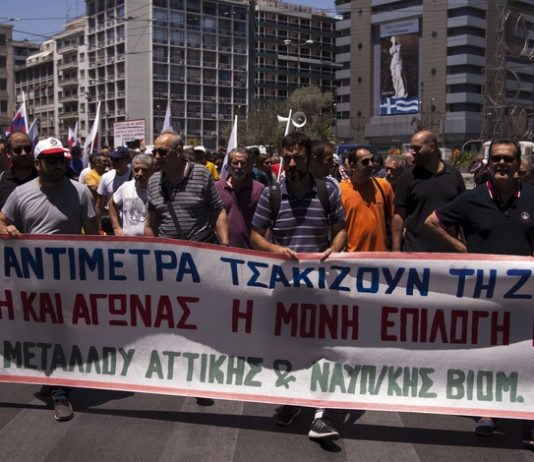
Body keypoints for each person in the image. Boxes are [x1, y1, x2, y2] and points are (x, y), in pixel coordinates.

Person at [424, 139, 534, 438]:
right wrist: (462, 249)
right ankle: (487, 411)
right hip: (484, 295)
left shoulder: (531, 197)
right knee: (488, 354)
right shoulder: (472, 198)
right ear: (488, 162)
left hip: (525, 296)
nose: (502, 163)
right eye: (496, 158)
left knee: (526, 355)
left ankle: (528, 416)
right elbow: (432, 222)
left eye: (508, 158)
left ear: (517, 163)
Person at [250, 132, 346, 440]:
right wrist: (275, 249)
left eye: (298, 157)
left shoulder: (327, 191)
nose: (291, 163)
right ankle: (291, 402)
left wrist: (334, 249)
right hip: (285, 288)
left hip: (321, 287)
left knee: (321, 348)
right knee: (288, 347)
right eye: (287, 157)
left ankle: (320, 413)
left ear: (309, 159)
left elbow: (340, 229)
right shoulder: (272, 194)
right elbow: (256, 236)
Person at [0, 137, 98, 422]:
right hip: (29, 283)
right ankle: (51, 379)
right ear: (38, 163)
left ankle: (60, 393)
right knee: (40, 335)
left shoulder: (81, 193)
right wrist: (8, 229)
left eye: (61, 161)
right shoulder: (21, 194)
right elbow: (2, 220)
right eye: (52, 160)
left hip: (68, 283)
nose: (58, 166)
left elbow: (95, 238)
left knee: (61, 335)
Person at [144, 130, 229, 245]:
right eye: (154, 152)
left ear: (178, 151)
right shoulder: (153, 182)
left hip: (200, 250)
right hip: (168, 252)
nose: (157, 157)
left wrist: (224, 242)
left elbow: (218, 212)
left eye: (162, 152)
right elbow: (150, 224)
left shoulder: (201, 174)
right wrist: (152, 249)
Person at [392, 130, 465, 252]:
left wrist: (465, 245)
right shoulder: (407, 177)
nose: (412, 152)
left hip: (448, 252)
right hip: (415, 251)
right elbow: (399, 216)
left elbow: (463, 213)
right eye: (411, 148)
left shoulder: (454, 175)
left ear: (432, 147)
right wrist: (396, 251)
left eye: (417, 148)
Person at [341, 147, 394, 251]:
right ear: (352, 166)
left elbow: (394, 218)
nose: (370, 164)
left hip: (380, 255)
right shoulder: (340, 190)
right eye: (365, 162)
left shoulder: (383, 186)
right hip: (352, 256)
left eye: (372, 160)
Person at [215, 148, 264, 248]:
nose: (239, 167)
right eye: (235, 163)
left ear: (249, 166)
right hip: (219, 251)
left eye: (243, 163)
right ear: (228, 165)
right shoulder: (216, 188)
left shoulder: (260, 190)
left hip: (249, 252)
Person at [108, 153, 155, 236]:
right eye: (136, 170)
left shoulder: (157, 189)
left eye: (144, 170)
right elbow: (111, 203)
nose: (140, 173)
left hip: (151, 241)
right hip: (128, 241)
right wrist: (116, 227)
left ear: (152, 171)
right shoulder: (126, 187)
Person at [96, 146, 132, 234]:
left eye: (117, 159)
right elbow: (99, 205)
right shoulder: (105, 177)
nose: (113, 161)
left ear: (127, 160)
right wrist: (96, 224)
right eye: (111, 158)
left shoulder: (134, 176)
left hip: (130, 223)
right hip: (111, 225)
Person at [0, 132, 37, 209]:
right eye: (17, 150)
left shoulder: (44, 177)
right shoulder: (2, 179)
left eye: (27, 149)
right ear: (8, 153)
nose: (23, 153)